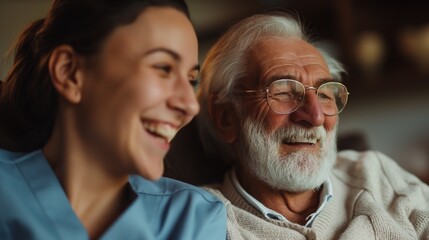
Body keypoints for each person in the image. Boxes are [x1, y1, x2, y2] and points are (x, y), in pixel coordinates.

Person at [0, 0, 226, 239]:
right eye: (163, 68)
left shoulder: (192, 218)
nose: (190, 105)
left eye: (191, 81)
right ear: (69, 72)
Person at [192, 13, 429, 239]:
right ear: (225, 117)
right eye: (283, 91)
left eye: (325, 94)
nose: (315, 116)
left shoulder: (377, 175)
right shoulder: (198, 220)